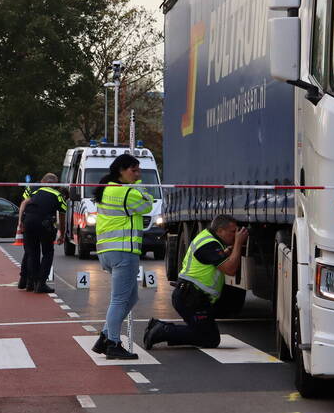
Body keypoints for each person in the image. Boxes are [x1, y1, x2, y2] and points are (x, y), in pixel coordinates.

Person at [143, 215, 248, 350]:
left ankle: (159, 328)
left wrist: (228, 251)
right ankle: (162, 330)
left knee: (207, 335)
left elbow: (215, 259)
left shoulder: (209, 239)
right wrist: (239, 243)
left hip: (192, 296)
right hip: (190, 298)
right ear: (220, 230)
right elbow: (230, 269)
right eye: (233, 232)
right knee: (209, 339)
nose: (235, 235)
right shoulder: (209, 244)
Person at [90, 154, 154, 360]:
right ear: (121, 170)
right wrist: (140, 185)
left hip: (108, 252)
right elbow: (148, 206)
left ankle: (106, 337)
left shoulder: (107, 189)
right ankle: (113, 344)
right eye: (133, 170)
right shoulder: (125, 192)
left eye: (139, 171)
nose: (138, 174)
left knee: (131, 297)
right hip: (123, 252)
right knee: (119, 300)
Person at [17, 173, 66, 293]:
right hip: (45, 224)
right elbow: (63, 216)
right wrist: (62, 234)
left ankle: (29, 282)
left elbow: (23, 203)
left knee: (31, 252)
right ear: (56, 184)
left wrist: (20, 222)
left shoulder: (33, 190)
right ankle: (40, 283)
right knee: (48, 252)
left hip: (28, 221)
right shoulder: (58, 195)